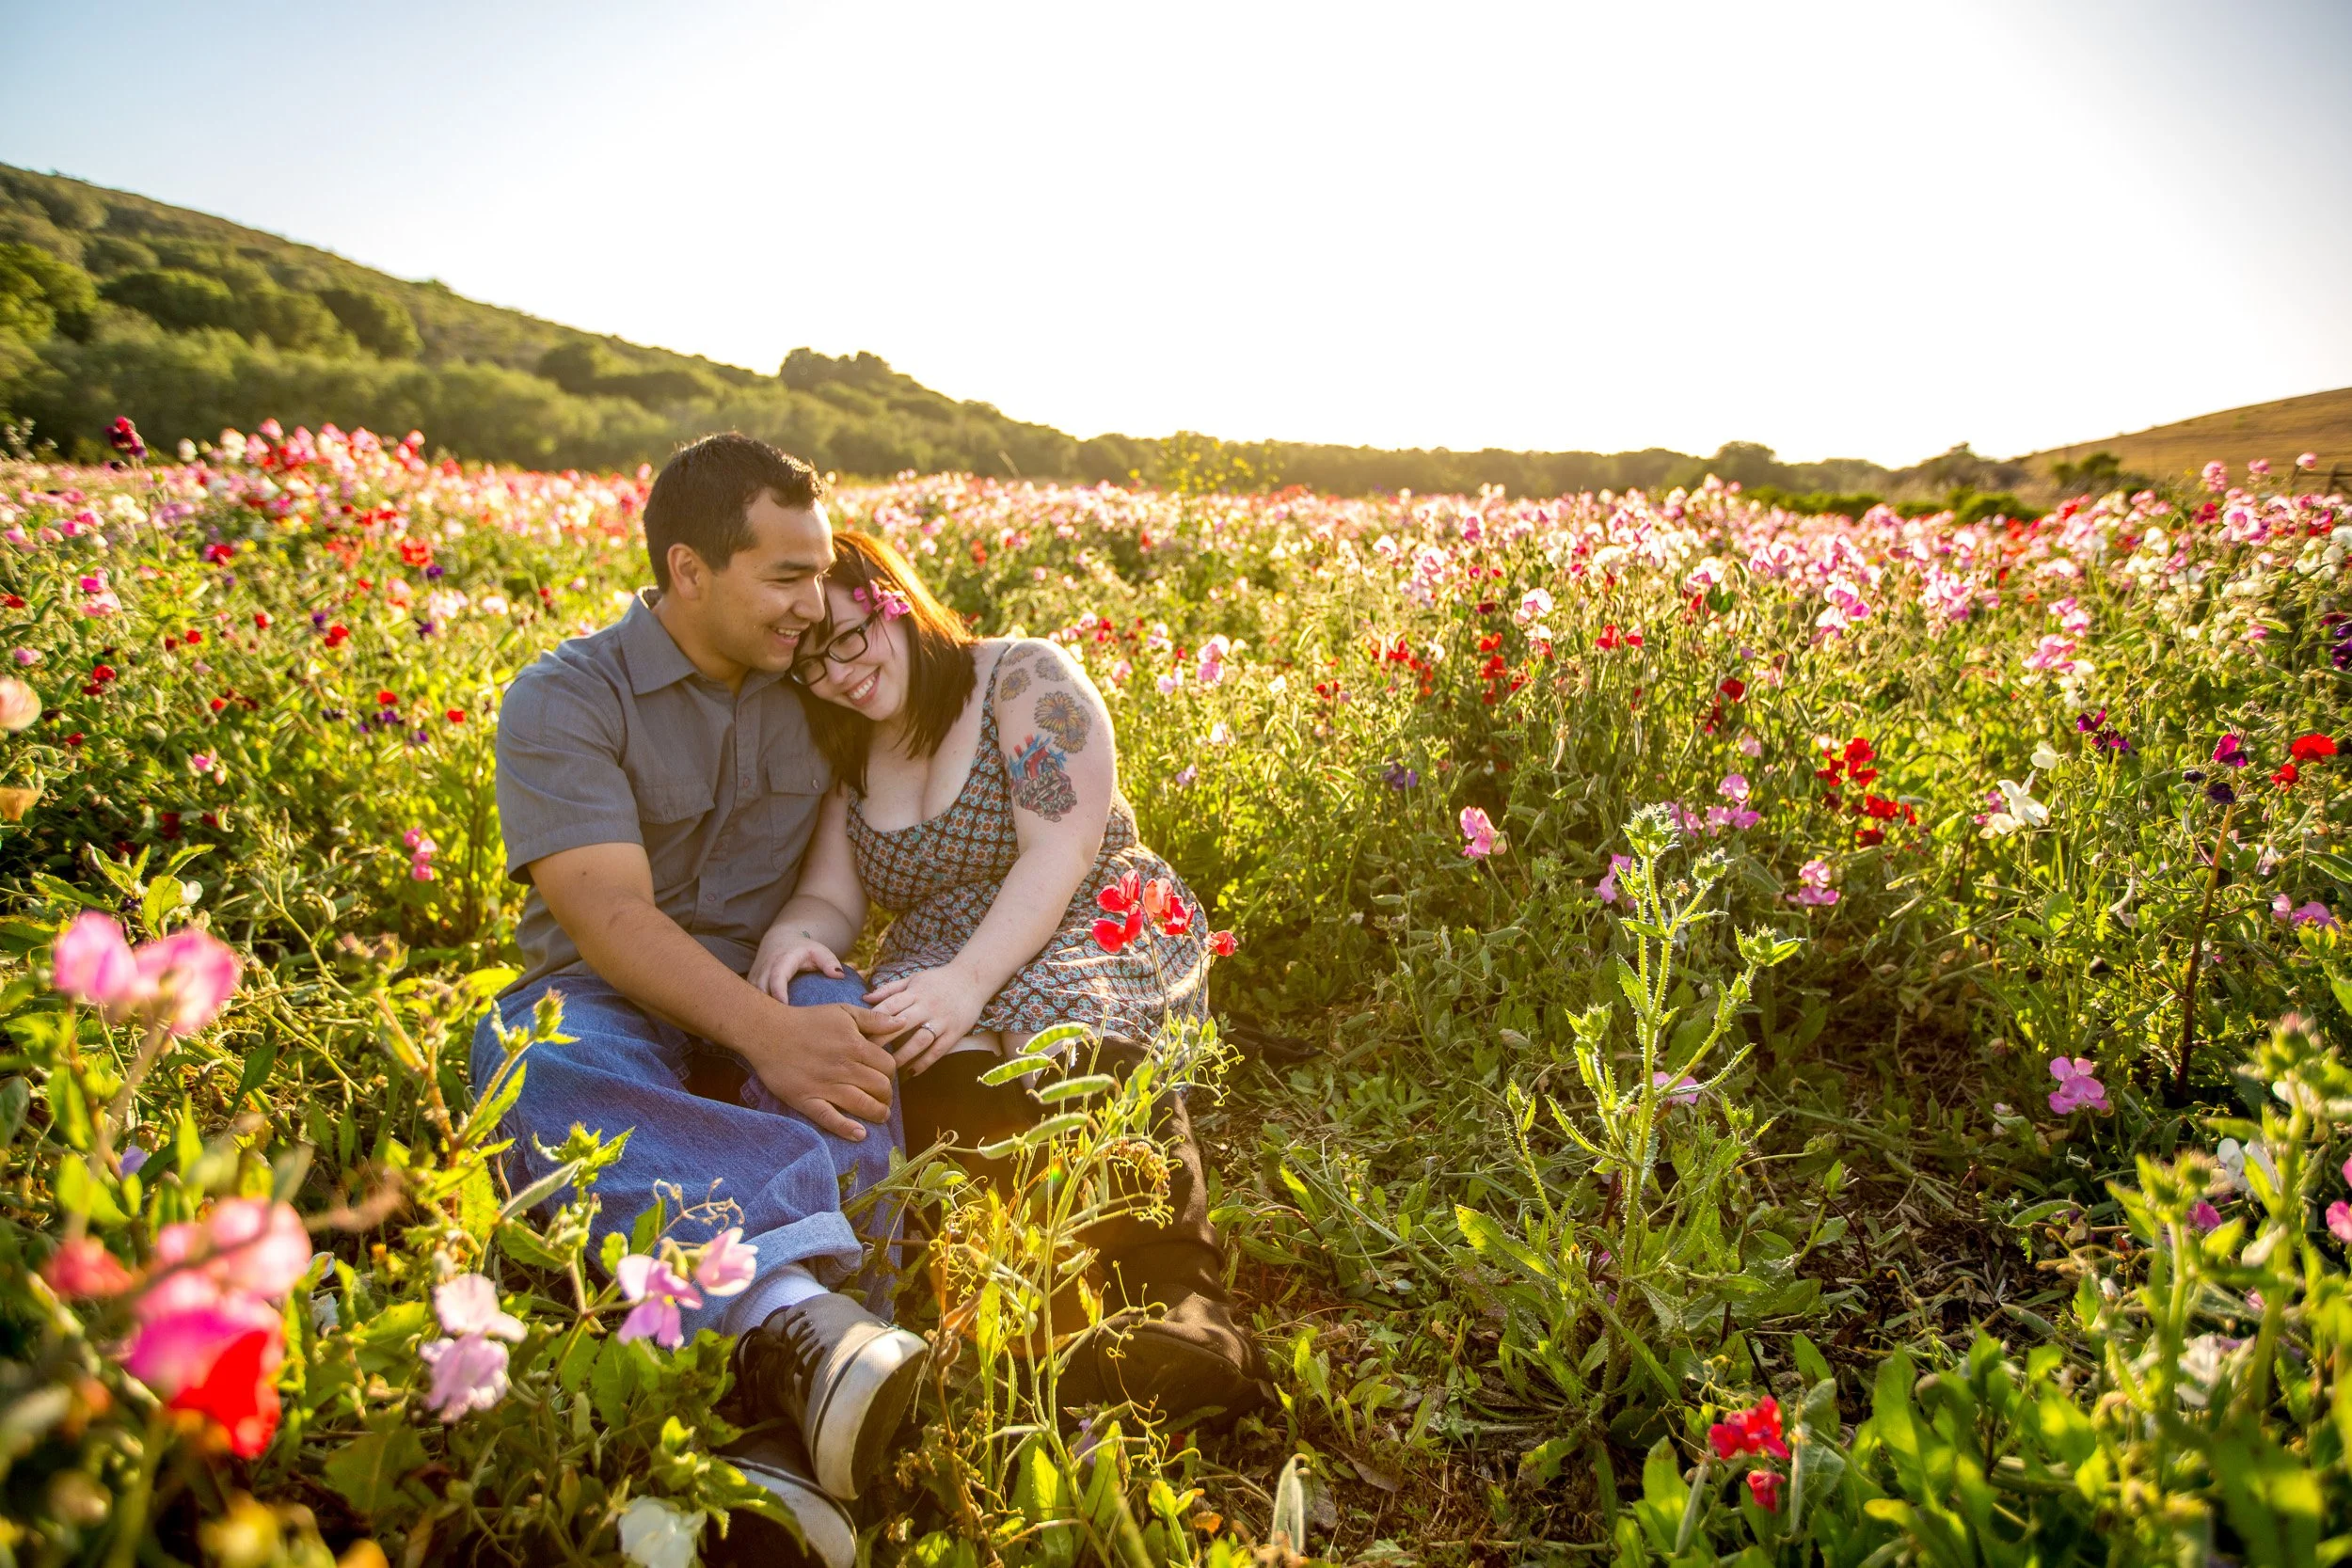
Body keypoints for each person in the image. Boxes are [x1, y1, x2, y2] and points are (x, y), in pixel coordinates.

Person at [472, 434, 923, 1565]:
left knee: (848, 1023)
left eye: (821, 573)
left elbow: (955, 691)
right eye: (785, 575)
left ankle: (776, 1411)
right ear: (687, 569)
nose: (812, 604)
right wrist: (771, 1037)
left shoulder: (815, 679)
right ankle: (802, 1342)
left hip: (775, 966)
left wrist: (802, 1002)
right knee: (529, 1054)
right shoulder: (565, 696)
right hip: (611, 996)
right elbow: (611, 921)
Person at [757, 531, 1269, 1420]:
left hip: (1086, 904)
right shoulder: (850, 753)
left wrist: (965, 983)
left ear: (892, 599)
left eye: (846, 638)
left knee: (1066, 1039)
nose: (838, 674)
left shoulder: (1021, 679)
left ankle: (1188, 1309)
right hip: (938, 948)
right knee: (941, 1076)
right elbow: (830, 896)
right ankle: (1035, 1320)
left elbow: (1062, 846)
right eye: (812, 664)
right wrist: (794, 934)